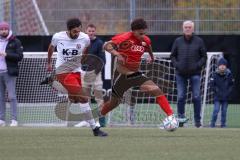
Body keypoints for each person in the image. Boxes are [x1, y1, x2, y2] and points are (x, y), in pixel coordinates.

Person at [99, 18, 176, 122]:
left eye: (144, 33)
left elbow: (148, 47)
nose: (142, 36)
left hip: (135, 74)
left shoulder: (145, 39)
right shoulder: (124, 37)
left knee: (156, 90)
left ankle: (171, 117)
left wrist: (151, 57)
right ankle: (99, 115)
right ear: (133, 31)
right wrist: (116, 53)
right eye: (140, 33)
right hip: (121, 75)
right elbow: (106, 45)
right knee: (114, 103)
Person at [47, 18, 107, 136]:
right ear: (68, 30)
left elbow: (87, 47)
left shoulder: (84, 37)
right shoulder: (58, 37)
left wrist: (83, 59)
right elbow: (51, 48)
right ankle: (95, 129)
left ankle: (53, 82)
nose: (77, 33)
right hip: (62, 71)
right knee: (84, 98)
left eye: (78, 31)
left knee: (75, 100)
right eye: (74, 31)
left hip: (76, 71)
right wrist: (48, 63)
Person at [170, 20, 207, 128]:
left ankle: (197, 121)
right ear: (183, 28)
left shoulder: (199, 41)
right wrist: (177, 65)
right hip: (180, 73)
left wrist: (197, 66)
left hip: (195, 73)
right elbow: (172, 56)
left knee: (196, 96)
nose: (187, 29)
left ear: (193, 29)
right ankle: (181, 120)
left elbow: (204, 56)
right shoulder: (177, 41)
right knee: (181, 97)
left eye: (189, 27)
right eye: (186, 27)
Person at [74, 24, 106, 128]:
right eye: (89, 31)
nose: (91, 33)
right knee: (84, 98)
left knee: (99, 98)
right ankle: (86, 121)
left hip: (95, 74)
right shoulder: (82, 42)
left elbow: (103, 60)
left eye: (93, 31)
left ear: (95, 32)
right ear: (86, 31)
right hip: (84, 74)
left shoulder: (99, 43)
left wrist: (95, 72)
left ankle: (102, 122)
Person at [0, 21, 23, 127]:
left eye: (5, 29)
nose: (3, 31)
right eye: (1, 29)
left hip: (9, 73)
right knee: (0, 97)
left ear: (8, 30)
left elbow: (19, 56)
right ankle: (1, 119)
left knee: (12, 96)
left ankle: (14, 120)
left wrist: (6, 54)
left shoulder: (15, 41)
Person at [210, 57, 234, 128]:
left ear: (226, 66)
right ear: (218, 66)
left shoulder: (229, 74)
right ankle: (212, 124)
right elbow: (211, 85)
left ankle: (223, 125)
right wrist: (216, 91)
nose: (222, 66)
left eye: (224, 65)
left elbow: (231, 85)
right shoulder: (214, 74)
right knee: (216, 110)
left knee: (224, 112)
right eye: (221, 65)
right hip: (217, 97)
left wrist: (228, 92)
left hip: (226, 97)